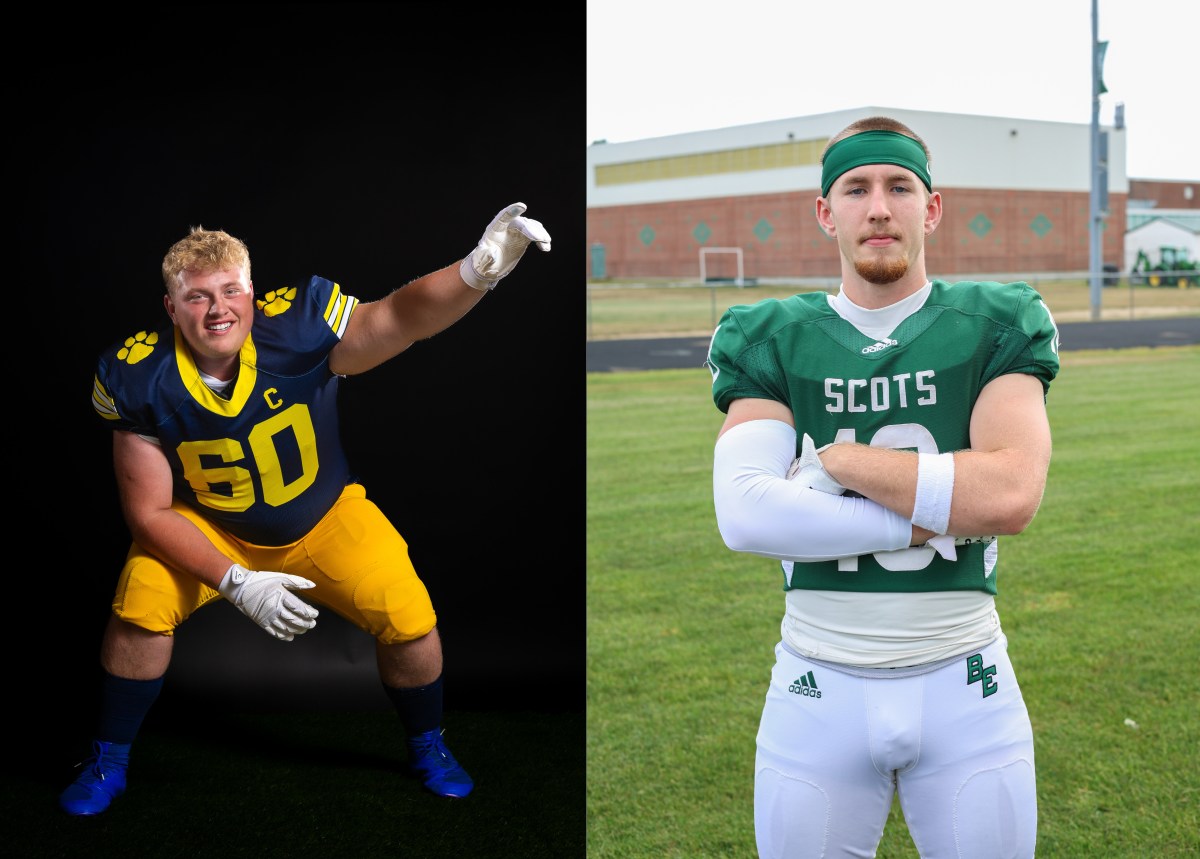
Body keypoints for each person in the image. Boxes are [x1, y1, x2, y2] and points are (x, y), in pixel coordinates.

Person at [61, 202, 551, 815]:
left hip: (322, 513)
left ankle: (429, 744)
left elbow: (399, 317)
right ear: (170, 307)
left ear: (252, 292)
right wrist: (234, 580)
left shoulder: (296, 325)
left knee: (410, 616)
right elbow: (150, 513)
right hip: (208, 527)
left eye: (230, 290)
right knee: (140, 605)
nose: (218, 309)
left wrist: (476, 273)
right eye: (197, 297)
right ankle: (108, 758)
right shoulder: (134, 374)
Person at [707, 117, 1059, 858]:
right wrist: (926, 517)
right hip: (816, 685)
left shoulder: (994, 322)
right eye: (856, 187)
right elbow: (743, 511)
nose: (878, 207)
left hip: (967, 685)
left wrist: (841, 461)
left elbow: (1010, 493)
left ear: (930, 208)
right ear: (826, 211)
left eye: (900, 186)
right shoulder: (772, 334)